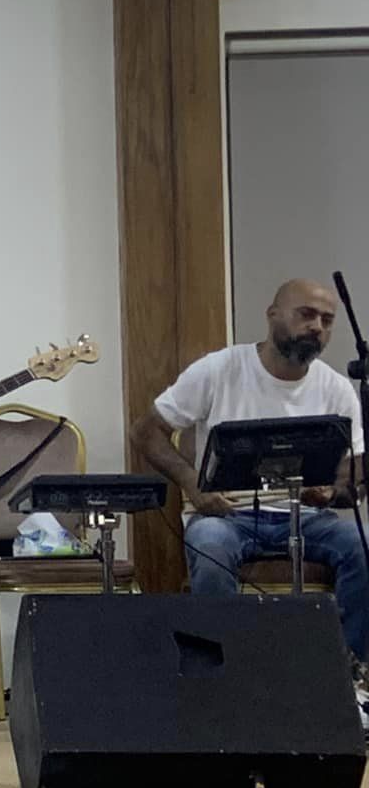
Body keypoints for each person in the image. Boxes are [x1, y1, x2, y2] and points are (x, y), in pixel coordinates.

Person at [131, 277, 366, 663]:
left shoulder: (337, 389)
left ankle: (352, 670)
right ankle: (225, 671)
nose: (317, 327)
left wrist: (333, 493)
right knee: (210, 547)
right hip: (226, 516)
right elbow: (145, 432)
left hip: (306, 517)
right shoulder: (218, 369)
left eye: (327, 320)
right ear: (273, 315)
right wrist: (193, 485)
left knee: (363, 545)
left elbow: (351, 479)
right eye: (306, 315)